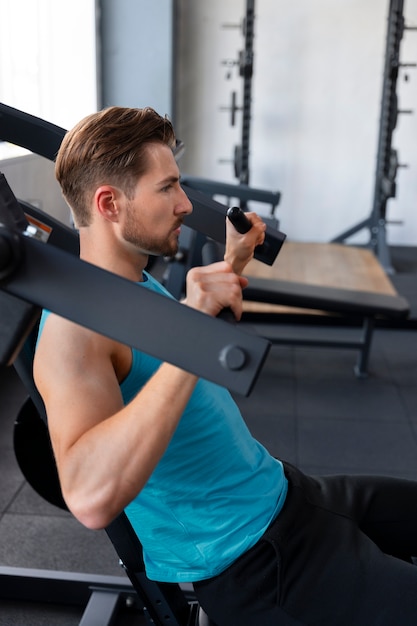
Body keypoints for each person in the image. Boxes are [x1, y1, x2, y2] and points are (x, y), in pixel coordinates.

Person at [34, 106, 417, 626]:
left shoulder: (132, 284)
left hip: (289, 493)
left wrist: (232, 262)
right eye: (167, 187)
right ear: (109, 203)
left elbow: (166, 345)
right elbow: (90, 499)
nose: (186, 205)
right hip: (257, 562)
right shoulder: (72, 331)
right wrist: (194, 326)